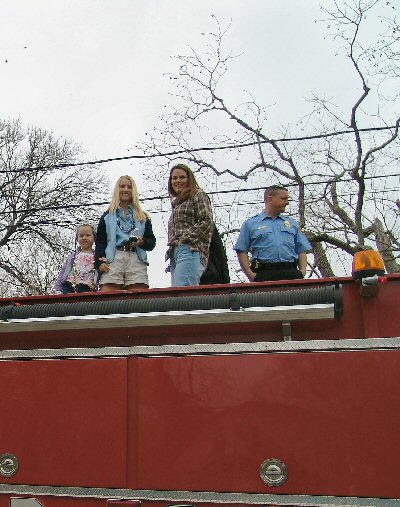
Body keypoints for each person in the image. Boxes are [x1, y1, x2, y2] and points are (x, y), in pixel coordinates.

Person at [234, 185, 312, 282]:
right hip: (263, 273)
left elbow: (301, 250)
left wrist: (302, 272)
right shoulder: (251, 224)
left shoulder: (292, 223)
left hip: (290, 272)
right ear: (270, 199)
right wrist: (251, 275)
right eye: (284, 199)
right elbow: (241, 251)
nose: (287, 202)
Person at [95, 175, 156, 291]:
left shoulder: (143, 217)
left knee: (138, 300)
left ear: (134, 191)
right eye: (122, 186)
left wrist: (142, 242)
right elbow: (100, 242)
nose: (126, 189)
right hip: (113, 257)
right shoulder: (107, 216)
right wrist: (99, 262)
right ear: (117, 190)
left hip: (136, 258)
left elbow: (151, 242)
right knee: (109, 300)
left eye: (129, 187)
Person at [166, 163, 213, 287]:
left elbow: (206, 221)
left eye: (182, 177)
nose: (178, 181)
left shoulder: (198, 194)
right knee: (178, 295)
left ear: (189, 179)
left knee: (183, 293)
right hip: (175, 253)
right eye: (174, 178)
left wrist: (184, 239)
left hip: (191, 250)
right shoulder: (177, 204)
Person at [55, 224, 97, 294]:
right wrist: (58, 287)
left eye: (88, 235)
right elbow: (64, 271)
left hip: (88, 287)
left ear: (94, 238)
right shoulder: (73, 256)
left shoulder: (96, 256)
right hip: (69, 286)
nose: (84, 238)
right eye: (81, 236)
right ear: (77, 239)